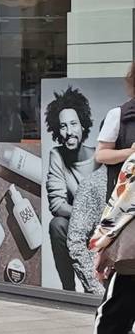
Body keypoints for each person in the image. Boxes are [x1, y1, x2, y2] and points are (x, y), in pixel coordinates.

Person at [78, 64, 135, 334]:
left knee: (110, 318)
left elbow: (125, 202)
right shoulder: (121, 116)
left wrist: (104, 248)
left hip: (131, 244)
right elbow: (102, 155)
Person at [45, 87, 98, 292]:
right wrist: (85, 217)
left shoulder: (99, 157)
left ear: (83, 125)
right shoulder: (57, 156)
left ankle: (96, 288)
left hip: (103, 226)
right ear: (57, 131)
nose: (69, 132)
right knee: (57, 224)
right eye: (63, 126)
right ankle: (68, 290)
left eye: (74, 124)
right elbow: (57, 205)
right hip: (78, 223)